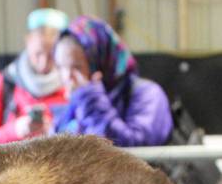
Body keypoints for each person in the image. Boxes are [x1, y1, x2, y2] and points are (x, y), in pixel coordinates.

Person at [52, 15, 172, 147]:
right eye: (61, 67)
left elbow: (134, 151)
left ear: (100, 61)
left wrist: (92, 102)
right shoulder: (78, 100)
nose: (67, 76)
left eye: (77, 67)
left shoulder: (148, 94)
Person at [0, 8, 69, 152]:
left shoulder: (73, 85)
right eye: (38, 54)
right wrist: (16, 130)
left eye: (51, 55)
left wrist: (55, 133)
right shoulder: (4, 84)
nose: (44, 64)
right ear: (28, 41)